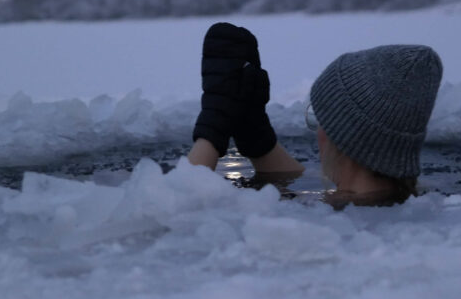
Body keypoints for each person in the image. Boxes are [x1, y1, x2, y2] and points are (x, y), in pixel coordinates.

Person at [187, 22, 443, 206]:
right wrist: (254, 133)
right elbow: (291, 178)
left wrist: (213, 124)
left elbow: (171, 213)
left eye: (318, 118)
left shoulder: (326, 224)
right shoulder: (411, 206)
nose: (318, 131)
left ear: (343, 135)